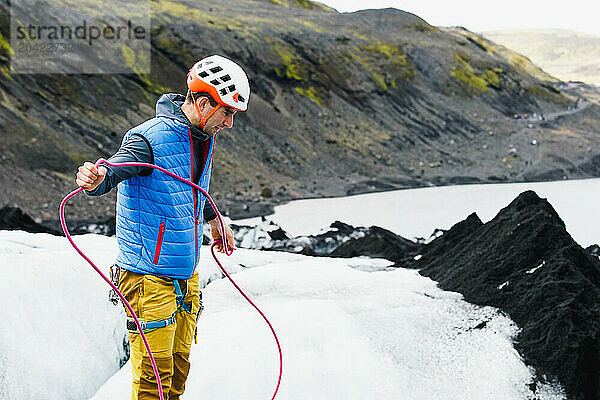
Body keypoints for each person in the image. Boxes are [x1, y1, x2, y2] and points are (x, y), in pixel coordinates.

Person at [75, 54, 250, 399]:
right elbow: (114, 170)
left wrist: (215, 220)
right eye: (227, 112)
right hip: (148, 278)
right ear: (203, 103)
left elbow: (190, 189)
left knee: (177, 375)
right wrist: (95, 178)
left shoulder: (202, 136)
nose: (230, 122)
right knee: (152, 384)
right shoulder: (147, 138)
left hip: (186, 273)